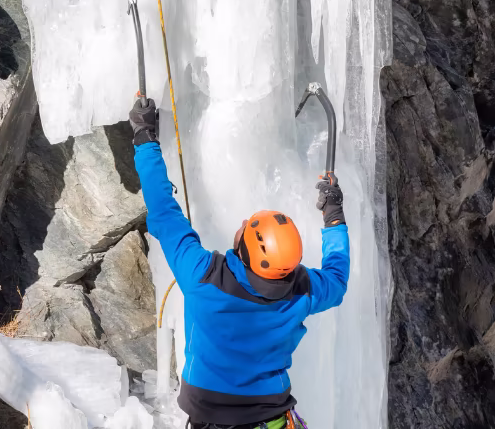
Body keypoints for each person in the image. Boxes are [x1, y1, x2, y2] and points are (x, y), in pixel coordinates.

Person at [128, 96, 350, 429]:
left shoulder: (204, 276)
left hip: (210, 417)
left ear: (244, 249)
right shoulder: (302, 290)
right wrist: (333, 216)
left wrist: (145, 140)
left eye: (246, 228)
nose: (241, 225)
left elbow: (164, 211)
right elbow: (337, 278)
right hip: (272, 419)